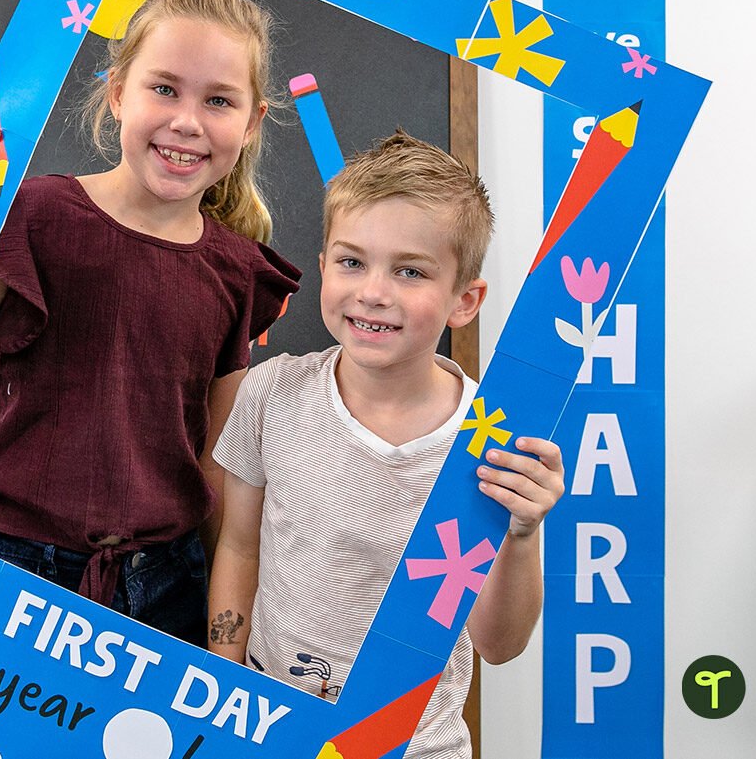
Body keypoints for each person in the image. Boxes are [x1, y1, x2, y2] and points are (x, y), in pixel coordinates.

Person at [0, 0, 299, 647]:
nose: (187, 120)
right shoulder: (33, 215)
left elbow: (218, 462)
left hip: (164, 591)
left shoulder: (238, 270)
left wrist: (227, 643)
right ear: (118, 92)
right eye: (164, 88)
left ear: (251, 121)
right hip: (3, 572)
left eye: (218, 100)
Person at [207, 131, 564, 755]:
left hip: (415, 746)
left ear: (465, 301)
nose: (374, 291)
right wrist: (226, 684)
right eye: (352, 261)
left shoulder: (490, 441)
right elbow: (239, 546)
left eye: (410, 271)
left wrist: (523, 534)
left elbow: (500, 645)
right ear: (321, 267)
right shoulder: (270, 395)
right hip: (270, 730)